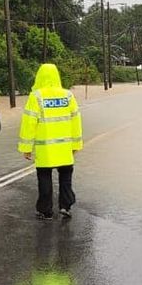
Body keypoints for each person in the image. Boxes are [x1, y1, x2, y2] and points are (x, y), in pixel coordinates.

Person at [18, 64, 83, 220]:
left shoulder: (36, 96)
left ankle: (45, 210)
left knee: (44, 179)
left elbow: (29, 124)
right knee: (66, 179)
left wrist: (26, 147)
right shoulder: (67, 96)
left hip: (45, 148)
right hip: (64, 147)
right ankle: (65, 206)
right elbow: (76, 121)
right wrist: (76, 145)